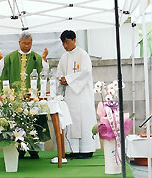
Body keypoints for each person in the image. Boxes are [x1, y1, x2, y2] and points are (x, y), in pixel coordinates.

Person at [0, 32, 50, 159]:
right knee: (17, 122)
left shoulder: (36, 57)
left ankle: (34, 149)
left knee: (34, 121)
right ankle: (19, 149)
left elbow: (44, 72)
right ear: (19, 43)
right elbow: (1, 71)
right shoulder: (11, 57)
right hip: (16, 97)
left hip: (32, 97)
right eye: (25, 43)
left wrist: (45, 60)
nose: (27, 46)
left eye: (29, 43)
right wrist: (0, 59)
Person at [56, 30, 100, 159]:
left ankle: (87, 149)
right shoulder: (64, 57)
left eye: (67, 42)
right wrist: (62, 80)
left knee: (84, 121)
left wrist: (68, 79)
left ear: (74, 40)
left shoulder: (83, 55)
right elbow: (59, 74)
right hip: (70, 95)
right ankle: (74, 149)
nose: (65, 46)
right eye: (63, 43)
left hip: (82, 95)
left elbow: (86, 72)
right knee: (72, 122)